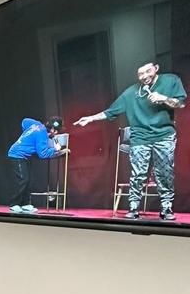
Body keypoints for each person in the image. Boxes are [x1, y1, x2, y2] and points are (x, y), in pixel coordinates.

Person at [75, 62, 186, 220]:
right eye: (140, 74)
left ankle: (166, 208)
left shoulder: (170, 80)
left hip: (164, 136)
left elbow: (181, 103)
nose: (144, 76)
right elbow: (111, 111)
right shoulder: (131, 93)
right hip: (140, 138)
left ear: (156, 68)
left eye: (148, 71)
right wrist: (91, 118)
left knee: (165, 174)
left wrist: (163, 98)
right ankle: (133, 207)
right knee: (138, 174)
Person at [6, 116, 68, 213]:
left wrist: (28, 136)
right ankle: (14, 204)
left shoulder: (37, 124)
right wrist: (56, 150)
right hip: (16, 154)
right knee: (23, 180)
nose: (57, 133)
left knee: (28, 180)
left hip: (24, 155)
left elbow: (24, 121)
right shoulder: (42, 134)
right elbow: (42, 154)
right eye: (56, 131)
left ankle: (25, 204)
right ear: (52, 130)